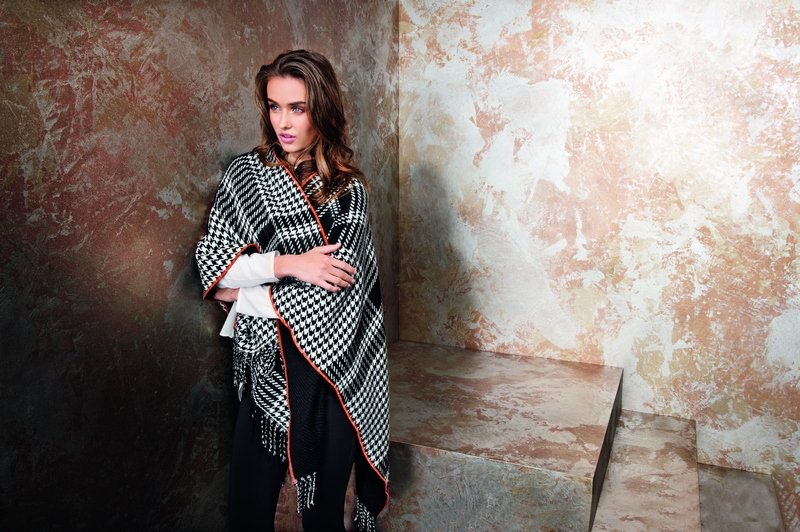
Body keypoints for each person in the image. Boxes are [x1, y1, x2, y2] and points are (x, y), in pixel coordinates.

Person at [195, 49, 389, 532]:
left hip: (334, 374)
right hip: (265, 370)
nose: (283, 122)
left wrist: (245, 295)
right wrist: (291, 265)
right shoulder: (246, 176)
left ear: (322, 109)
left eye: (297, 108)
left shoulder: (347, 191)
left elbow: (330, 303)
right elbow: (213, 266)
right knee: (248, 506)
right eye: (274, 106)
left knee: (324, 514)